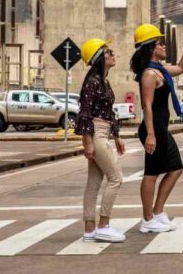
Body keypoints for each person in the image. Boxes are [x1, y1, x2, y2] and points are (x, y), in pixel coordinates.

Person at [130, 23, 183, 233]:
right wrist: (150, 134)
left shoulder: (160, 70)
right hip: (153, 129)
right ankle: (147, 219)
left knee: (176, 168)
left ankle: (158, 213)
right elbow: (146, 106)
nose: (164, 46)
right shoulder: (149, 74)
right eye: (160, 44)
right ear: (151, 48)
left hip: (161, 128)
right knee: (151, 173)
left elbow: (182, 67)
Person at [77, 38, 126, 243]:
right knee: (116, 178)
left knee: (94, 183)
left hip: (103, 132)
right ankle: (103, 225)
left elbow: (109, 112)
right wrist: (87, 142)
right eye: (109, 52)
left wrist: (116, 136)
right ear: (99, 58)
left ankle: (89, 229)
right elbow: (85, 114)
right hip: (96, 133)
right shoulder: (92, 83)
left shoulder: (103, 81)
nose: (113, 55)